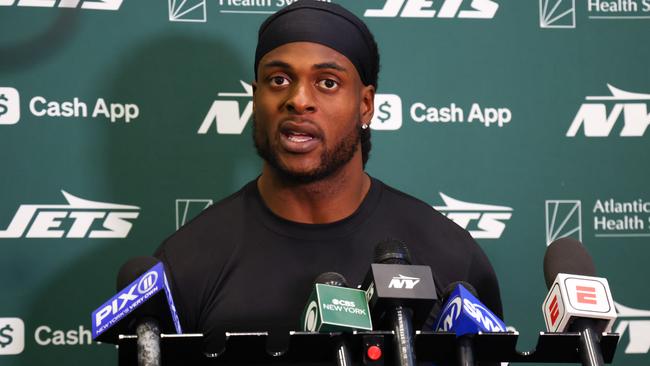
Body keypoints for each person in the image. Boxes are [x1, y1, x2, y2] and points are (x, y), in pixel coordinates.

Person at [155, 0, 502, 347]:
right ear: (255, 98)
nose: (299, 99)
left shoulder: (451, 257)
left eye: (328, 82)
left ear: (365, 105)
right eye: (279, 79)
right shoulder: (186, 263)